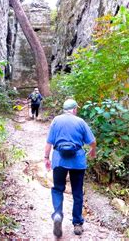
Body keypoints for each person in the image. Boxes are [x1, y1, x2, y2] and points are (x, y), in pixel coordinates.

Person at [44, 99, 96, 237]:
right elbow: (92, 141)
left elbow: (49, 142)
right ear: (74, 109)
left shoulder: (56, 120)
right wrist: (92, 151)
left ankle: (57, 214)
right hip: (78, 161)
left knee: (57, 188)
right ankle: (77, 224)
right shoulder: (80, 122)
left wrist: (46, 158)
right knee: (77, 192)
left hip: (59, 160)